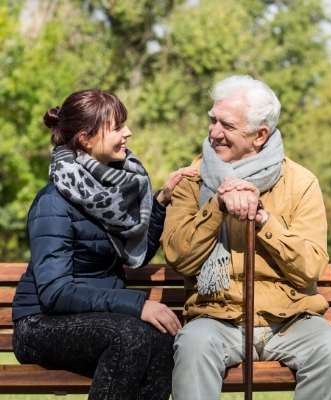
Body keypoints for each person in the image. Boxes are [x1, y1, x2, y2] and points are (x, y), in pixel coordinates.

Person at [161, 75, 331, 400]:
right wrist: (217, 206)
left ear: (259, 135)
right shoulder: (191, 180)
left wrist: (263, 219)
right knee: (194, 345)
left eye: (226, 125)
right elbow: (179, 257)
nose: (214, 132)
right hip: (218, 318)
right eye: (212, 120)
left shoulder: (300, 182)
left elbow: (309, 267)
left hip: (290, 320)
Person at [12, 89, 197, 400]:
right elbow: (56, 293)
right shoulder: (52, 202)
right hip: (41, 325)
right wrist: (138, 305)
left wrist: (162, 201)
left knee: (163, 342)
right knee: (128, 337)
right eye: (116, 127)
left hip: (99, 319)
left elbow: (134, 255)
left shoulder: (113, 191)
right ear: (85, 139)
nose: (128, 132)